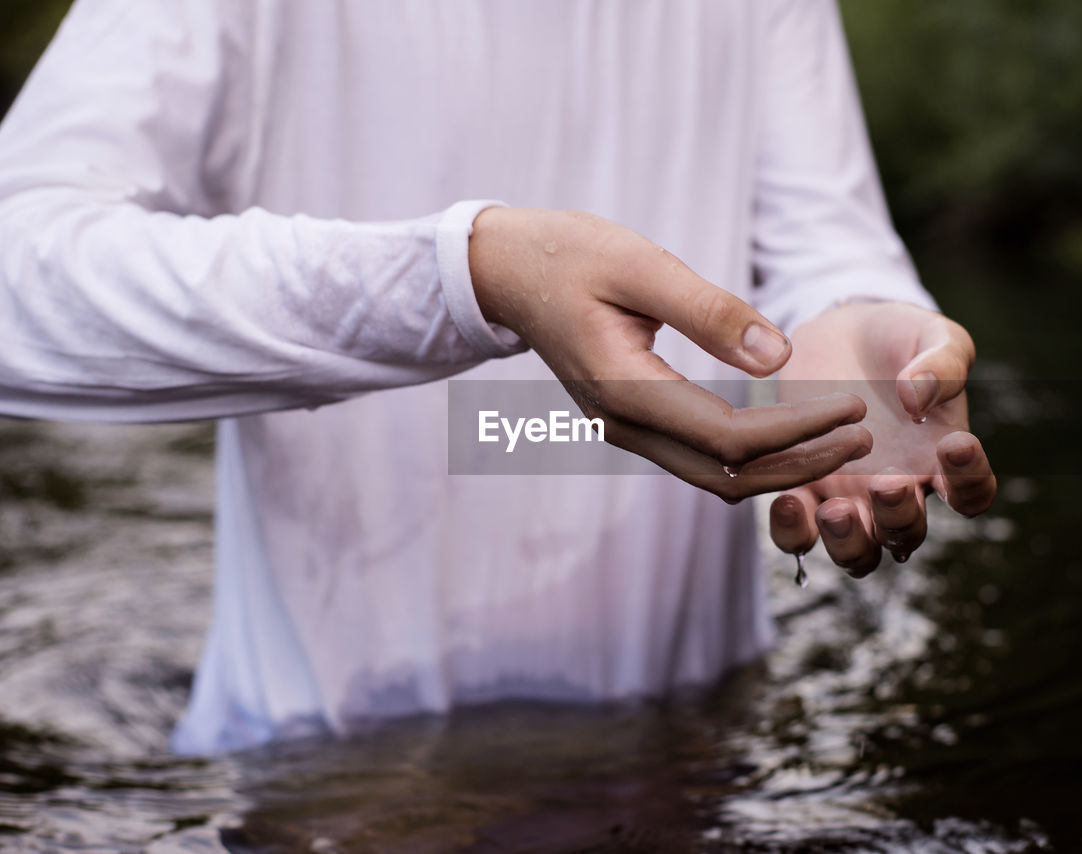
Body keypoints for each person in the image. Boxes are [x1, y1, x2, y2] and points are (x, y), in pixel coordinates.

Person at [0, 0, 996, 755]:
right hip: (318, 779)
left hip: (687, 755)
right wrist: (464, 277)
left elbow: (823, 232)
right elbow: (19, 271)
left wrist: (860, 328)